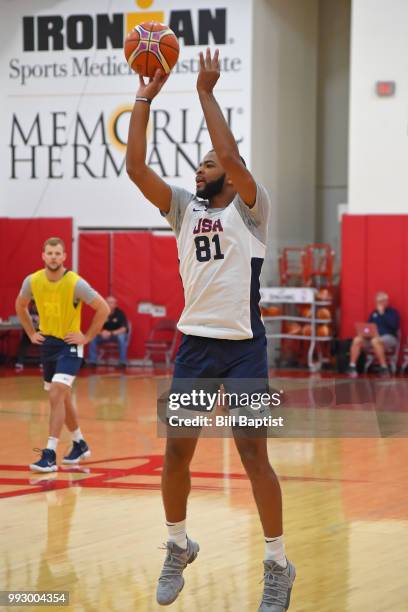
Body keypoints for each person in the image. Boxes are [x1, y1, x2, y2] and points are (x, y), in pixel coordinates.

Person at [126, 49, 295, 611]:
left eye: (208, 164)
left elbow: (226, 149)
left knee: (254, 456)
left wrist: (204, 91)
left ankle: (277, 563)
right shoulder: (181, 208)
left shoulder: (251, 207)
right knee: (177, 455)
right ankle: (177, 545)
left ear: (233, 169)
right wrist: (145, 97)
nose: (200, 168)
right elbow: (135, 169)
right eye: (198, 163)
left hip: (246, 348)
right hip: (194, 344)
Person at [15, 237, 110, 472]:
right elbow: (20, 305)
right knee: (62, 397)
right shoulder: (33, 281)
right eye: (50, 253)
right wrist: (30, 332)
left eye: (58, 253)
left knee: (57, 392)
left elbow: (103, 308)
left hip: (69, 344)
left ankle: (49, 452)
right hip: (47, 344)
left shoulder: (75, 283)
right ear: (43, 256)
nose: (54, 257)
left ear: (64, 256)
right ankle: (79, 443)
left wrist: (86, 337)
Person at [347, 291, 400, 377]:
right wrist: (364, 333)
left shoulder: (392, 312)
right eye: (378, 302)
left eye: (382, 301)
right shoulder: (374, 313)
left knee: (375, 341)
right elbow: (369, 327)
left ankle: (384, 367)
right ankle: (352, 366)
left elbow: (394, 326)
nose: (379, 304)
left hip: (389, 337)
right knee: (357, 339)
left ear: (386, 302)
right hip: (373, 338)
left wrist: (382, 314)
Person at [88, 296, 129, 367]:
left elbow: (124, 329)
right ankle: (92, 361)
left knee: (121, 337)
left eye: (111, 303)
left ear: (115, 305)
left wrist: (111, 333)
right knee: (92, 338)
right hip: (103, 336)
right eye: (107, 302)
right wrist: (101, 333)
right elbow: (94, 328)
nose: (108, 304)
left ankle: (122, 362)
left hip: (116, 335)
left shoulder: (120, 314)